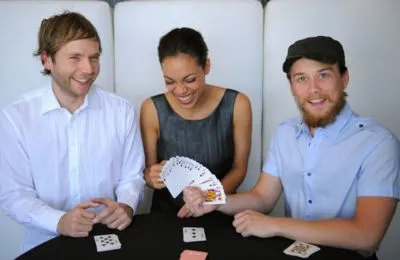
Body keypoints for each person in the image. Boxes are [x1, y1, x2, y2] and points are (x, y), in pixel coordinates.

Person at [183, 36, 399, 258]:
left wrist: (275, 225)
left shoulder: (379, 143)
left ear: (344, 79)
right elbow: (262, 197)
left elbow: (367, 236)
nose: (313, 89)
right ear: (292, 86)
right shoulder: (285, 132)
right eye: (301, 78)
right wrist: (215, 200)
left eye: (323, 75)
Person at [0, 11, 145, 252]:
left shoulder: (122, 111)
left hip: (111, 240)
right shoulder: (16, 118)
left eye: (94, 57)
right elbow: (14, 194)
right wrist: (59, 221)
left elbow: (131, 176)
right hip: (44, 245)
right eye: (75, 58)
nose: (88, 69)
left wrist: (126, 206)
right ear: (47, 60)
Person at [140, 27, 252, 216]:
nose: (180, 90)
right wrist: (152, 177)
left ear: (206, 66)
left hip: (221, 211)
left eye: (190, 80)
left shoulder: (237, 104)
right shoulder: (152, 108)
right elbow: (148, 172)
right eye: (170, 81)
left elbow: (239, 168)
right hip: (167, 216)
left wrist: (208, 199)